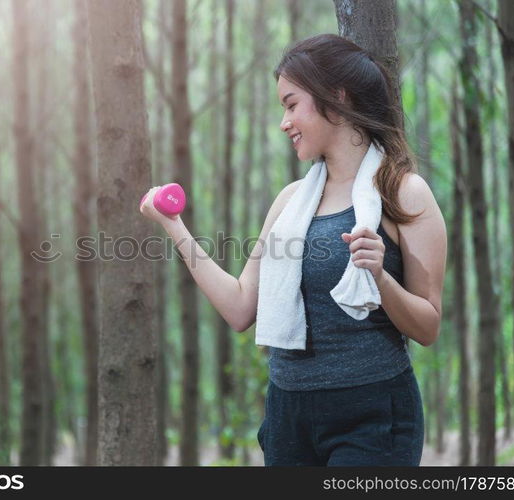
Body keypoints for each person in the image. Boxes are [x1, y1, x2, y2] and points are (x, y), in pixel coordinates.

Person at [139, 33, 446, 466]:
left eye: (290, 104)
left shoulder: (403, 193)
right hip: (288, 414)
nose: (284, 121)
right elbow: (241, 307)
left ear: (335, 99)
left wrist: (380, 278)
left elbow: (428, 327)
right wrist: (173, 226)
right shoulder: (289, 202)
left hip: (372, 416)